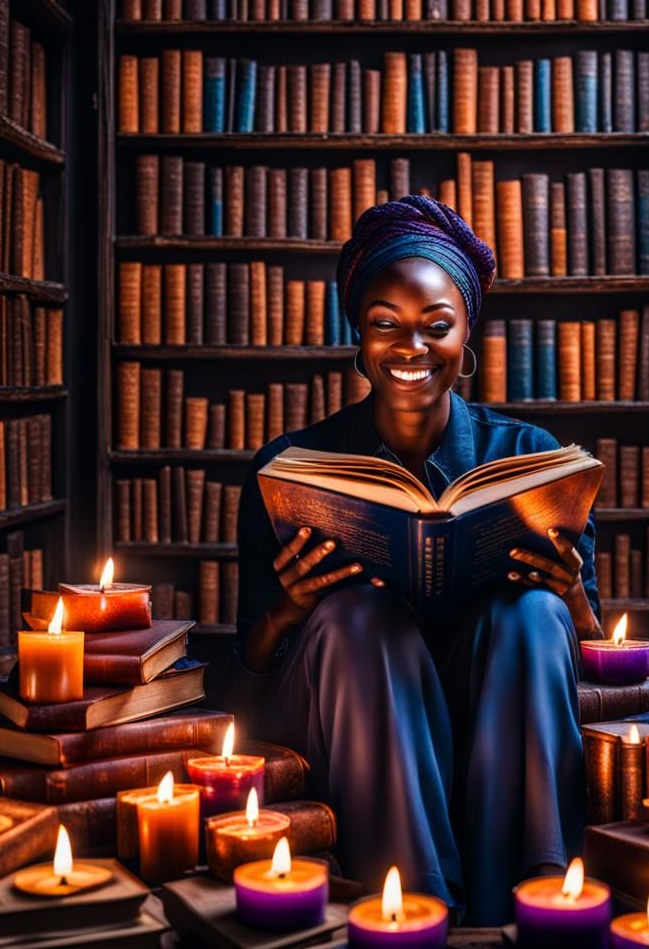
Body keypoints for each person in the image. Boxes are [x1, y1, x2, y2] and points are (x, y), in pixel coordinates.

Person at [223, 195, 603, 925]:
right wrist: (289, 609)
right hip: (350, 704)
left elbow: (592, 655)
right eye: (384, 325)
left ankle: (531, 904)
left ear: (468, 336)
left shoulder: (530, 460)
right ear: (358, 338)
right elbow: (246, 677)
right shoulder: (291, 467)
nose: (411, 348)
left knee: (531, 614)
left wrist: (575, 603)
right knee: (365, 620)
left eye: (437, 326)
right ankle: (416, 906)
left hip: (491, 699)